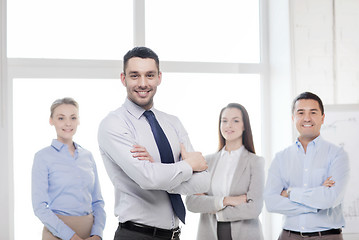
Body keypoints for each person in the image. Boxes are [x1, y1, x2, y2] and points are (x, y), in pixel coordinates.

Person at [98, 46, 210, 240]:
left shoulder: (173, 123)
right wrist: (189, 166)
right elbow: (148, 179)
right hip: (136, 235)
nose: (143, 83)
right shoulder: (113, 124)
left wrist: (161, 173)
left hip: (174, 236)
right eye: (135, 76)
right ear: (123, 79)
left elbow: (203, 181)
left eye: (149, 75)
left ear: (159, 77)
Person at [264, 92, 350, 240]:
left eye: (313, 112)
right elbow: (271, 202)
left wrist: (290, 192)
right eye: (301, 112)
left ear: (323, 118)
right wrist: (316, 203)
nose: (307, 118)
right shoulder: (281, 158)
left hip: (326, 236)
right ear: (293, 118)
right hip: (288, 236)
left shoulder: (338, 155)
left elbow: (330, 199)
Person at [186, 103, 265, 240]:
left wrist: (215, 210)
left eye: (235, 121)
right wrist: (227, 200)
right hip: (210, 234)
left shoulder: (255, 162)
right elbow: (191, 202)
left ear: (244, 125)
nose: (229, 125)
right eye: (224, 121)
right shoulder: (206, 162)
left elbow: (254, 208)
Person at [32, 97, 106, 240]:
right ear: (51, 120)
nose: (68, 123)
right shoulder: (42, 157)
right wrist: (70, 236)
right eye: (61, 118)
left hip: (90, 234)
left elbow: (98, 202)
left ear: (78, 120)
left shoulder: (88, 156)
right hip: (57, 233)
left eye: (73, 118)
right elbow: (39, 207)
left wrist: (97, 234)